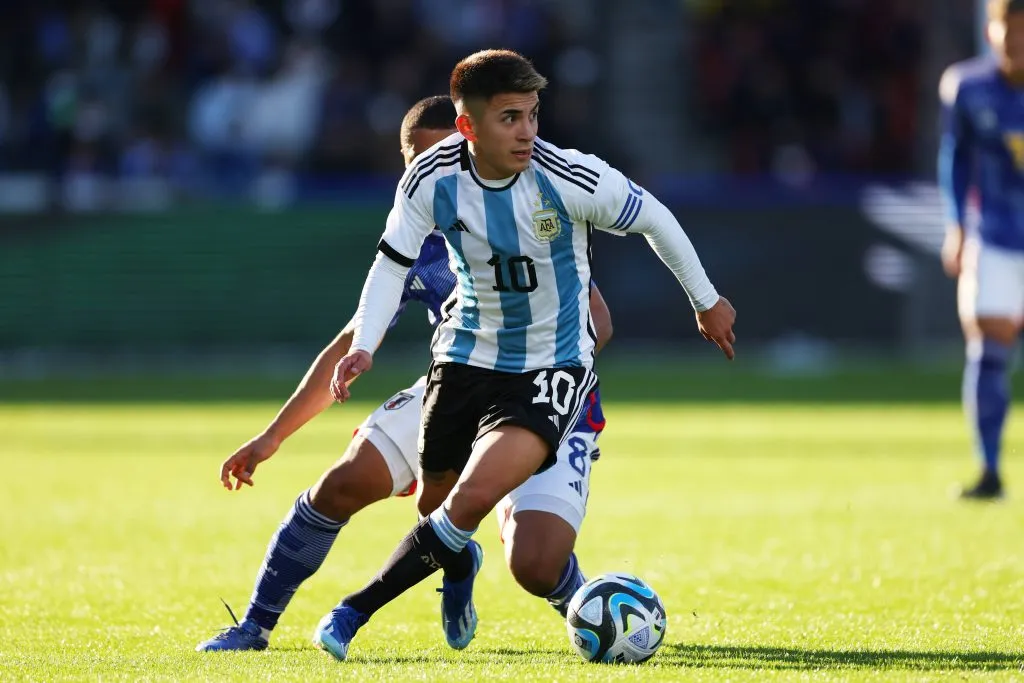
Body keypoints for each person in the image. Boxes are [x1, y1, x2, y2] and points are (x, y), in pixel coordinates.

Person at [314, 49, 736, 661]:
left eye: (533, 114)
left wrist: (705, 300)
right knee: (438, 508)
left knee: (485, 521)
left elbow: (657, 219)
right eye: (510, 117)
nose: (528, 131)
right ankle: (458, 569)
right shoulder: (430, 178)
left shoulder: (570, 177)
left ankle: (352, 611)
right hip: (463, 364)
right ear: (468, 126)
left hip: (550, 369)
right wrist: (363, 347)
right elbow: (391, 264)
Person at [196, 95, 613, 652]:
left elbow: (599, 323)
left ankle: (582, 602)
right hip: (458, 387)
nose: (434, 171)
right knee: (341, 484)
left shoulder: (528, 217)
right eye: (420, 160)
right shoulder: (412, 242)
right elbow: (351, 341)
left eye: (447, 154)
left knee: (534, 564)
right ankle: (255, 626)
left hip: (548, 392)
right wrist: (272, 437)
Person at [939, 0, 1024, 500]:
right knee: (989, 351)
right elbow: (953, 161)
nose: (1014, 42)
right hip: (993, 237)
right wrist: (957, 226)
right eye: (1006, 30)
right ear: (990, 32)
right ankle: (990, 469)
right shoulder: (967, 89)